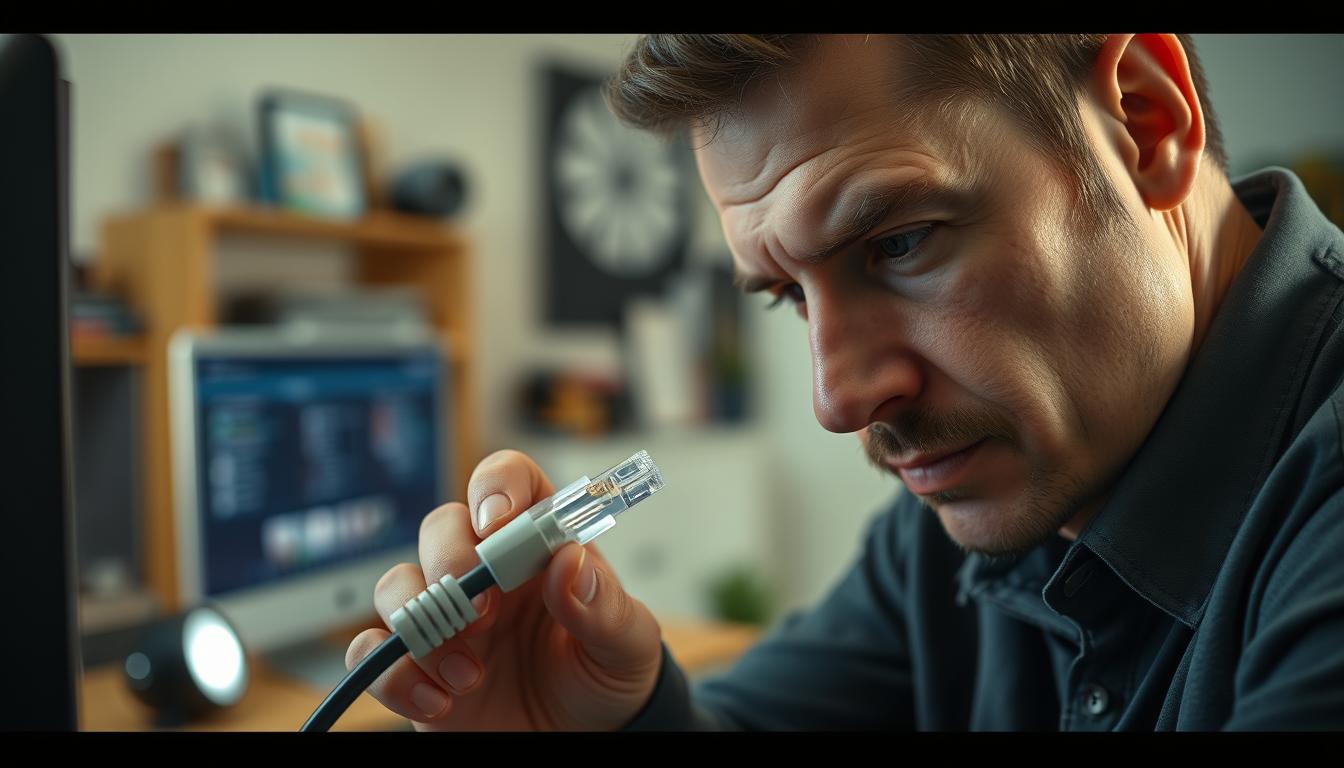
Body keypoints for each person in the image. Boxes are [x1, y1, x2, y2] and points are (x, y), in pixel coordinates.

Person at [346, 34, 1344, 730]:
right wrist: (608, 721)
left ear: (1142, 121)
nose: (839, 400)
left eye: (899, 243)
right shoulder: (963, 508)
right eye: (785, 294)